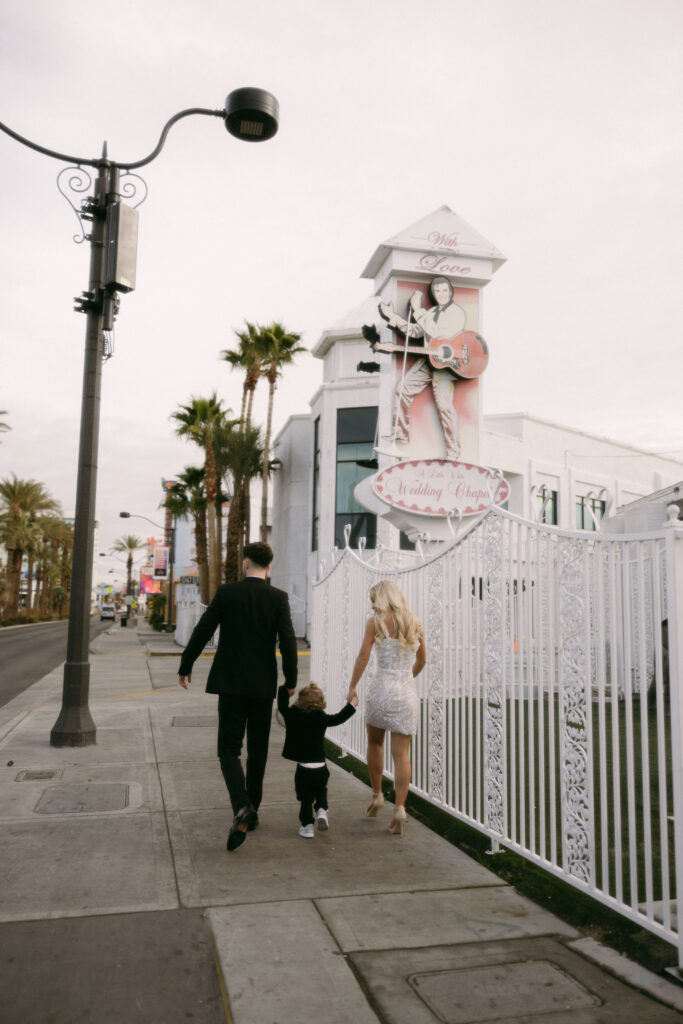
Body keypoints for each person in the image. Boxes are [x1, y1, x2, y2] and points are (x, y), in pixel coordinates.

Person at [178, 541, 297, 852]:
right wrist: (291, 680)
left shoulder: (227, 593)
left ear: (246, 564)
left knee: (228, 750)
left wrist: (186, 663)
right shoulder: (277, 598)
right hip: (262, 687)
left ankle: (242, 806)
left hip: (230, 684)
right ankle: (251, 811)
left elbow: (203, 629)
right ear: (268, 567)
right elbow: (287, 641)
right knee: (258, 750)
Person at [346, 580, 426, 836]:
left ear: (383, 599)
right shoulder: (414, 621)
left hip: (380, 690)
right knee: (402, 755)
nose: (372, 606)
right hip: (405, 693)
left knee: (374, 744)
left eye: (373, 600)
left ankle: (378, 795)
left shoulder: (375, 623)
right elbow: (423, 660)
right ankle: (400, 809)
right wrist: (406, 678)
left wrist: (352, 687)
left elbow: (363, 656)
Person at [379, 276, 466, 460]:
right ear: (433, 294)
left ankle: (453, 452)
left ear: (450, 292)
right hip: (429, 360)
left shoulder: (457, 313)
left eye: (444, 290)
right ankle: (400, 433)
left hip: (446, 365)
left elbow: (437, 332)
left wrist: (418, 309)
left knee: (445, 407)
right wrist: (392, 317)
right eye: (438, 291)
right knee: (403, 389)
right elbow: (415, 331)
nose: (441, 294)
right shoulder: (432, 312)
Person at [277, 682, 357, 838]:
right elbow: (339, 718)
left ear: (300, 700)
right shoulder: (321, 717)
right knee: (321, 789)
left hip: (304, 767)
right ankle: (321, 809)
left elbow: (282, 706)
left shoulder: (293, 715)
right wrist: (352, 705)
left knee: (305, 798)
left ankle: (307, 826)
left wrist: (285, 690)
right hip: (321, 767)